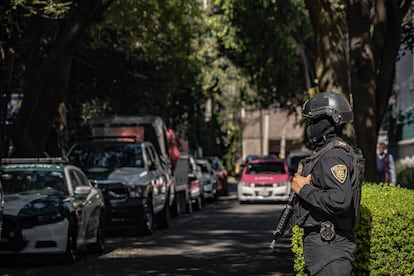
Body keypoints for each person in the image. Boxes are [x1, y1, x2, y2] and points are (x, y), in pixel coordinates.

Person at [291, 92, 360, 276]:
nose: (310, 127)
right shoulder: (328, 152)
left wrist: (304, 189)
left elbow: (339, 200)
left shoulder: (333, 155)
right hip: (327, 251)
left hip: (330, 251)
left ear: (330, 120)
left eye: (313, 121)